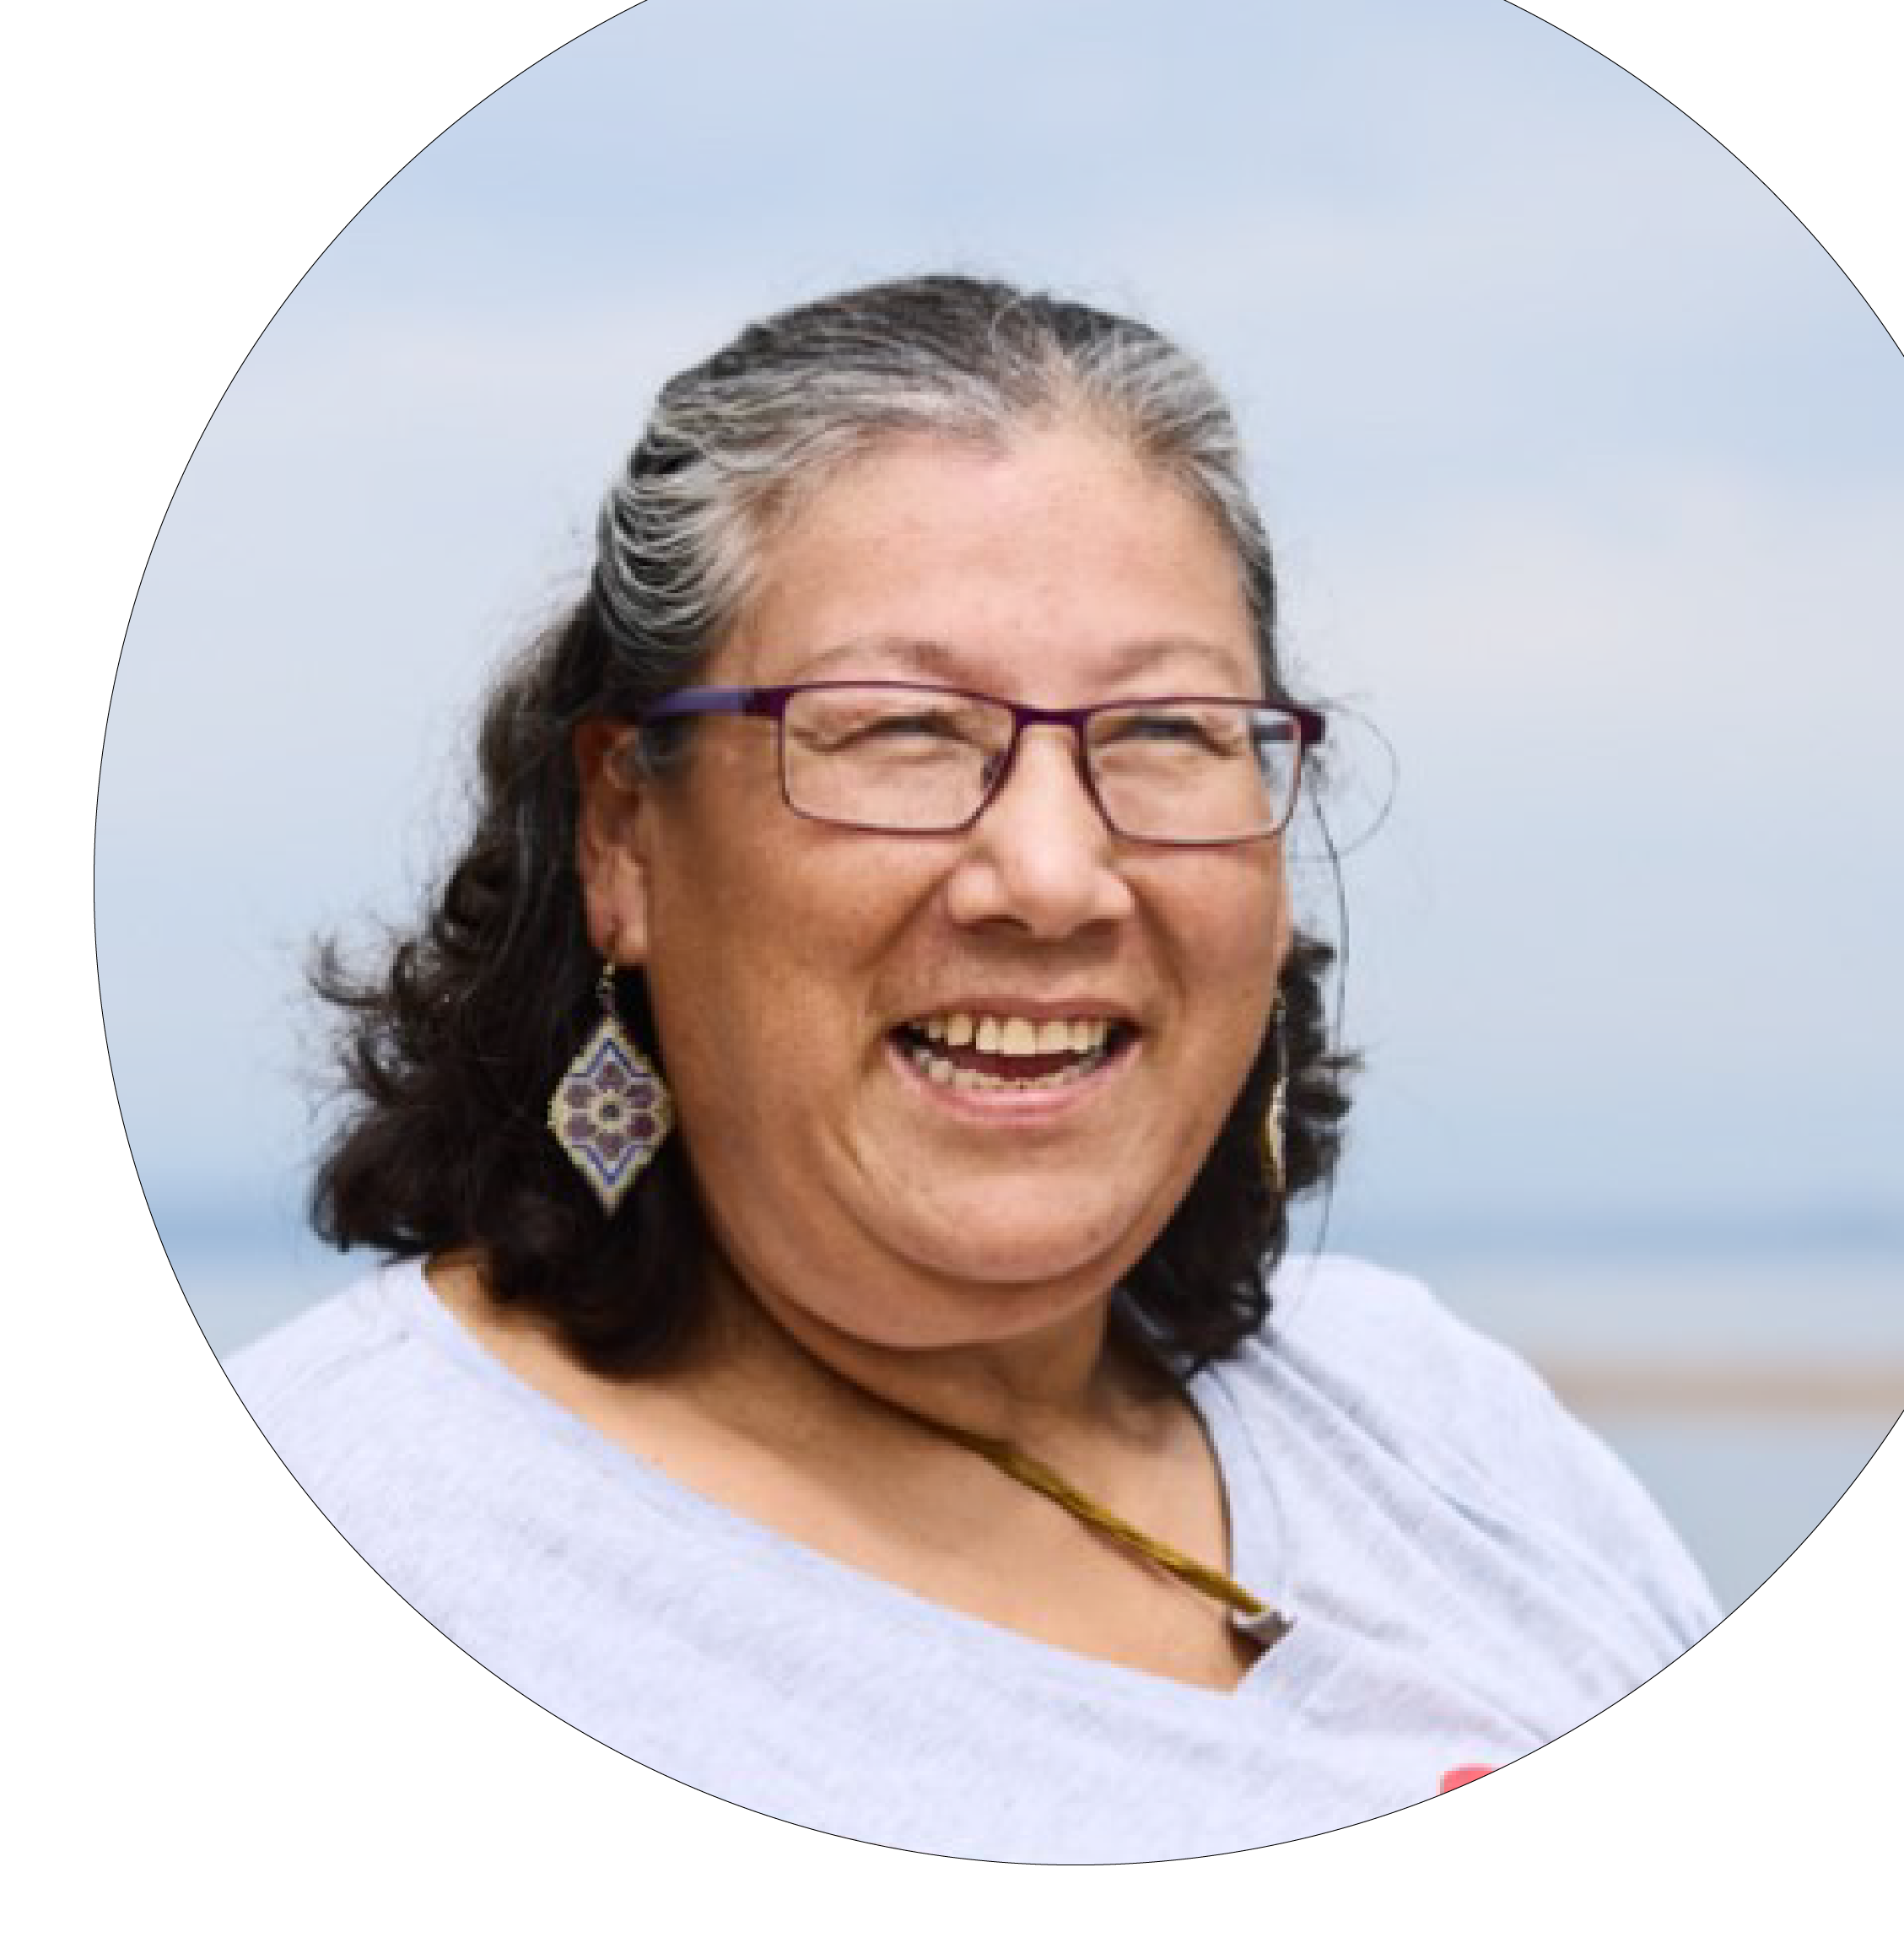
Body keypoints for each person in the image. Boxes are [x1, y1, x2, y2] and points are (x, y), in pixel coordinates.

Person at [231, 274, 1716, 1861]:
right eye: (901, 731)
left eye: (1163, 731)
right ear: (626, 838)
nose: (1053, 873)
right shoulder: (336, 1551)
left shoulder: (1438, 1422)